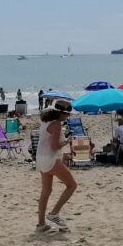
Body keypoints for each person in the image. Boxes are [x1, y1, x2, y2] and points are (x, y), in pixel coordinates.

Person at [35, 99, 77, 233]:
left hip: (41, 159)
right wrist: (66, 142)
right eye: (67, 114)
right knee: (72, 186)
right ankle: (54, 213)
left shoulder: (45, 122)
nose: (68, 116)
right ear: (60, 113)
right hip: (51, 159)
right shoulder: (57, 124)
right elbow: (54, 146)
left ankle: (41, 224)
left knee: (46, 192)